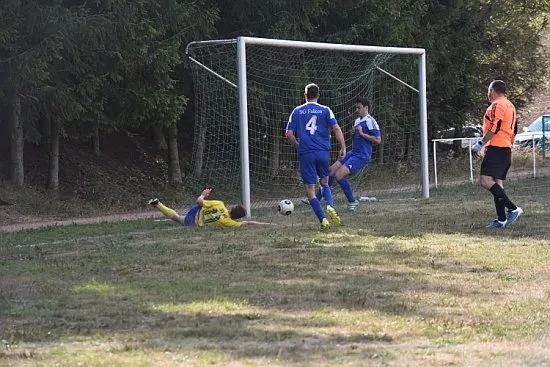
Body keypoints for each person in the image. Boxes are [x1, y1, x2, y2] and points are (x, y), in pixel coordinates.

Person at [285, 83, 347, 230]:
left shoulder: (297, 111)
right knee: (324, 182)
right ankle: (330, 206)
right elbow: (336, 128)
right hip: (322, 152)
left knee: (310, 190)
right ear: (318, 95)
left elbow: (288, 134)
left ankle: (323, 220)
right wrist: (343, 147)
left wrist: (298, 147)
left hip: (306, 153)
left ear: (305, 95)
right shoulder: (326, 110)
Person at [471, 80, 523, 228]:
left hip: (497, 146)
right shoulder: (510, 105)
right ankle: (501, 220)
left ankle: (513, 209)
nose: (488, 94)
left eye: (488, 91)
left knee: (485, 181)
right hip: (505, 147)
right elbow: (514, 130)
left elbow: (495, 126)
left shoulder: (497, 105)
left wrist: (481, 143)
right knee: (498, 184)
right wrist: (509, 147)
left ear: (492, 91)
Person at [315, 97, 381, 211]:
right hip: (353, 153)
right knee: (331, 171)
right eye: (356, 107)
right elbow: (358, 138)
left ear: (366, 108)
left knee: (339, 175)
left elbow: (377, 140)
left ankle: (352, 201)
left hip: (361, 156)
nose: (356, 110)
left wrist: (361, 133)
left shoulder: (370, 121)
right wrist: (353, 134)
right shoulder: (357, 121)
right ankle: (318, 199)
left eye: (359, 107)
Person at [149, 187, 272, 227]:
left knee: (177, 216)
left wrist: (203, 194)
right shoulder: (228, 222)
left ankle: (157, 203)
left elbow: (198, 201)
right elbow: (249, 223)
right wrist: (266, 224)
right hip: (194, 222)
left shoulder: (220, 204)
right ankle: (158, 204)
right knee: (176, 217)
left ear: (233, 207)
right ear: (237, 218)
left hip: (195, 211)